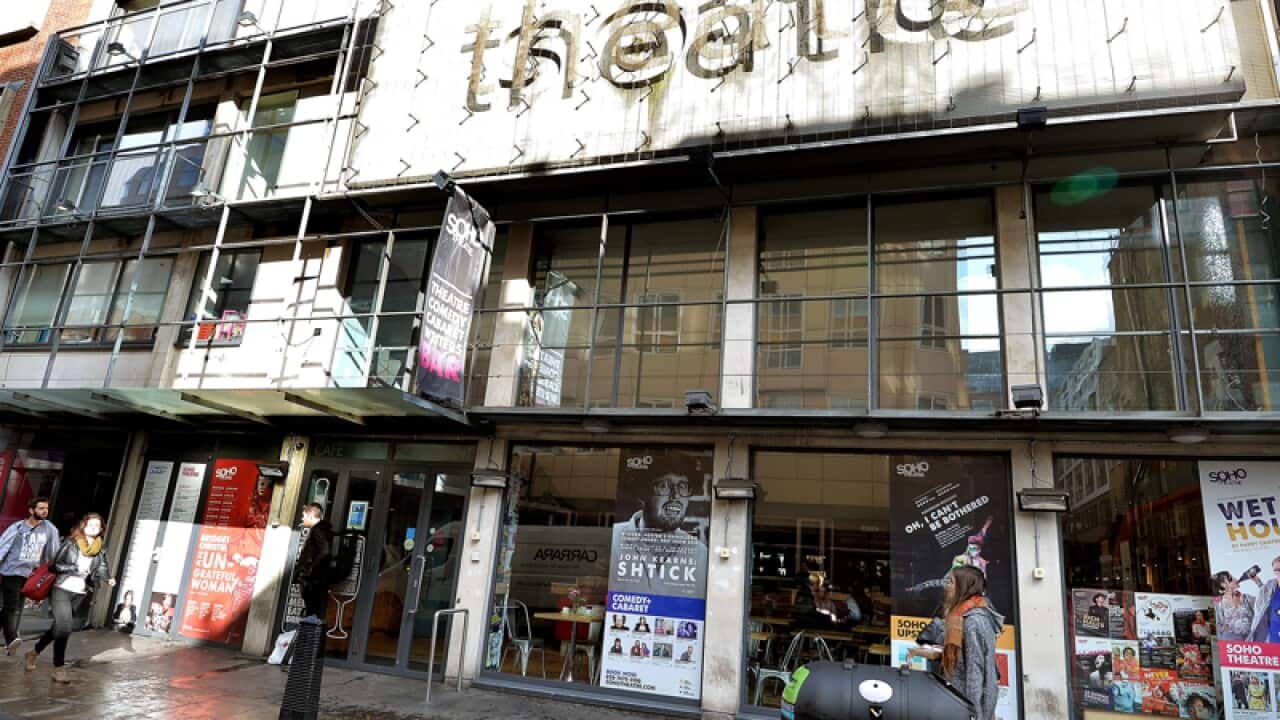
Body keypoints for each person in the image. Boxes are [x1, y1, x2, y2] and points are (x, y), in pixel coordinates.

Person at [25, 513, 113, 683]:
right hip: (62, 588)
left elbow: (102, 567)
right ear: (84, 526)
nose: (94, 527)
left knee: (58, 628)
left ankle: (33, 652)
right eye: (91, 524)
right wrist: (74, 568)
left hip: (79, 592)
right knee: (65, 627)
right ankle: (58, 668)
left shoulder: (99, 549)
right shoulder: (71, 543)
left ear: (102, 529)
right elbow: (54, 565)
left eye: (97, 525)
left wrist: (108, 578)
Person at [609, 471, 708, 599]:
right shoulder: (612, 541)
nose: (676, 496)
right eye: (664, 485)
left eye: (682, 487)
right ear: (643, 493)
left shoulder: (700, 554)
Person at [940, 565, 1003, 720]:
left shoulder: (973, 621)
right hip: (959, 703)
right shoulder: (960, 617)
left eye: (952, 582)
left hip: (965, 708)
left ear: (964, 586)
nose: (947, 586)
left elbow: (976, 672)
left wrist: (974, 714)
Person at [0, 497, 60, 655]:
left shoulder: (50, 529)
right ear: (31, 510)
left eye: (46, 508)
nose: (44, 511)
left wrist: (51, 572)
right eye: (41, 508)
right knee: (11, 607)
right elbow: (2, 545)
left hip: (31, 575)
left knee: (15, 608)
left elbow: (52, 554)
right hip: (12, 571)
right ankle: (11, 639)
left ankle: (11, 641)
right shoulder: (18, 527)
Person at [292, 503, 335, 620]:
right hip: (316, 580)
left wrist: (309, 569)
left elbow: (325, 550)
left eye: (304, 516)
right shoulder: (321, 529)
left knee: (311, 612)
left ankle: (309, 636)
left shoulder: (317, 530)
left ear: (311, 517)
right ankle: (310, 635)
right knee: (313, 612)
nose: (302, 518)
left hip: (312, 580)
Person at [1215, 570, 1258, 641]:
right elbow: (1218, 627)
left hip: (1251, 642)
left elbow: (1266, 603)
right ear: (1223, 584)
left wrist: (1257, 581)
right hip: (1231, 644)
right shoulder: (1219, 604)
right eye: (1231, 578)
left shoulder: (1246, 598)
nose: (1235, 579)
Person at [1249, 556, 1280, 642]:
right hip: (1272, 633)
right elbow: (1265, 595)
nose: (1278, 572)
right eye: (1276, 569)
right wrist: (1257, 581)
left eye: (1279, 569)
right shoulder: (1272, 584)